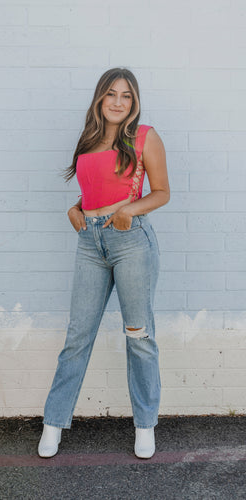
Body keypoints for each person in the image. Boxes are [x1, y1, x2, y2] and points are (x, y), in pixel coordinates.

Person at [38, 67, 170, 459]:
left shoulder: (144, 136)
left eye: (126, 96)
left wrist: (130, 210)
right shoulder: (89, 140)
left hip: (131, 242)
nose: (118, 101)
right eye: (111, 94)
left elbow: (162, 192)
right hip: (90, 244)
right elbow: (94, 190)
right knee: (77, 337)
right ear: (100, 98)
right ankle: (53, 423)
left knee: (138, 336)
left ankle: (145, 426)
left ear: (134, 102)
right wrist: (75, 209)